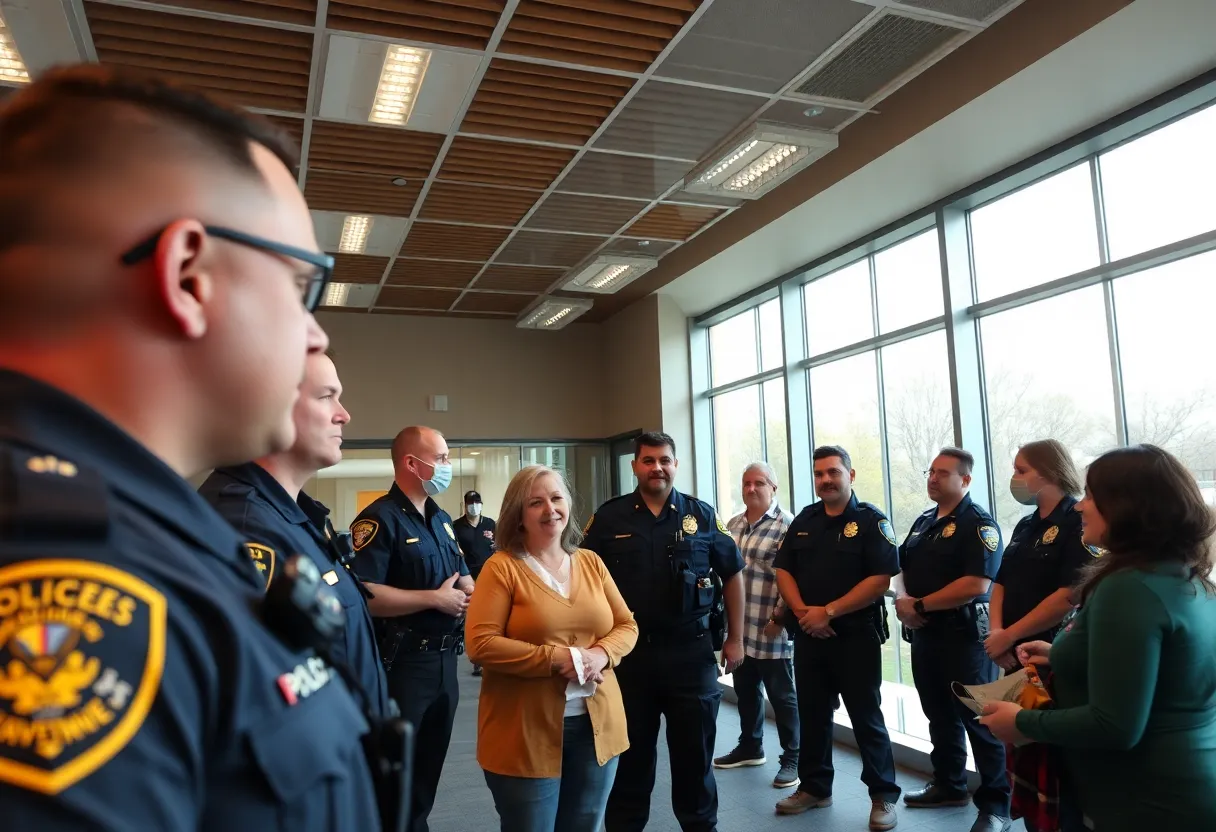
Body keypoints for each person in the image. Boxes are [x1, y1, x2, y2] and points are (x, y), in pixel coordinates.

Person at [0, 65, 379, 828]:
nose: (316, 332)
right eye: (301, 286)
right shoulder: (76, 583)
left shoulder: (153, 536)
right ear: (190, 277)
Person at [980, 444, 1216, 832]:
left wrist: (1022, 721)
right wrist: (1062, 656)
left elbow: (1115, 725)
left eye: (1091, 495)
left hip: (1144, 800)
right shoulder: (1182, 575)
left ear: (1126, 507)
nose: (1079, 506)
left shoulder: (1129, 588)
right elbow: (1161, 674)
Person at [199, 350, 391, 719]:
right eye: (326, 396)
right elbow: (260, 706)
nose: (344, 414)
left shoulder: (297, 516)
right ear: (272, 407)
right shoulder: (244, 529)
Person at [582, 431, 745, 832]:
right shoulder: (609, 518)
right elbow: (585, 581)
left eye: (665, 460)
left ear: (675, 464)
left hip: (691, 655)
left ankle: (700, 825)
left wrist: (735, 638)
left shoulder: (702, 516)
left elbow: (733, 574)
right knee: (630, 759)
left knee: (695, 757)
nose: (658, 467)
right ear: (635, 466)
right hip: (630, 659)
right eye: (649, 460)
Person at [466, 465, 638, 832]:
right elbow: (481, 644)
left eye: (557, 498)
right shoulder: (502, 568)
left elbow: (627, 625)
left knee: (585, 824)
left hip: (597, 728)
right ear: (518, 514)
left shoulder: (591, 562)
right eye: (536, 502)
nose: (550, 509)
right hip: (524, 733)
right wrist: (557, 658)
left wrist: (600, 654)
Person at [772, 446, 901, 831]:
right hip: (810, 636)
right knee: (812, 715)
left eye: (832, 472)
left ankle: (883, 796)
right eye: (819, 474)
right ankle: (814, 788)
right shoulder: (806, 519)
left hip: (854, 637)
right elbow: (784, 570)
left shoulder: (871, 521)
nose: (825, 480)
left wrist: (827, 611)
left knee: (866, 717)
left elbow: (881, 578)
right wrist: (802, 614)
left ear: (851, 474)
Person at [352, 425, 473, 832]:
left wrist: (472, 591)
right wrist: (433, 599)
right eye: (440, 458)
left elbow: (461, 574)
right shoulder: (378, 519)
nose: (447, 466)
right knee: (394, 781)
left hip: (445, 663)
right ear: (411, 463)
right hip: (402, 665)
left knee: (427, 774)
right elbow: (364, 593)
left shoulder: (440, 519)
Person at [894, 447, 1011, 832]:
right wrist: (905, 603)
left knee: (981, 718)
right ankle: (949, 784)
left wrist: (920, 604)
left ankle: (996, 806)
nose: (933, 478)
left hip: (964, 639)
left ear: (965, 480)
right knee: (938, 714)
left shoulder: (978, 524)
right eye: (931, 471)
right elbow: (903, 566)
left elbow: (977, 583)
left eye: (943, 473)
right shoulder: (925, 520)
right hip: (926, 635)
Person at [713, 462, 800, 790]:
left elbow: (793, 578)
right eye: (746, 483)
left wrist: (780, 618)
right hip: (740, 629)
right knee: (746, 690)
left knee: (782, 696)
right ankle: (751, 746)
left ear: (773, 487)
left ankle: (793, 757)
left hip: (770, 627)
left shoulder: (786, 524)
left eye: (759, 483)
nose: (751, 489)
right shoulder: (734, 523)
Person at [985, 440, 1094, 671]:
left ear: (1049, 472)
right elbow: (1001, 582)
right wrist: (997, 634)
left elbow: (1069, 594)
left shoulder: (1078, 522)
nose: (1015, 478)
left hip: (1052, 650)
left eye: (1021, 471)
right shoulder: (1026, 525)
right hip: (1011, 649)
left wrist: (1009, 635)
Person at [454, 490, 497, 677]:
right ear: (465, 505)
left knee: (490, 616)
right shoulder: (457, 526)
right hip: (468, 577)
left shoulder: (489, 524)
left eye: (477, 502)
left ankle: (487, 656)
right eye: (470, 503)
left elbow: (498, 546)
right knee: (472, 616)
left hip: (489, 574)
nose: (474, 506)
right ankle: (476, 656)